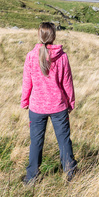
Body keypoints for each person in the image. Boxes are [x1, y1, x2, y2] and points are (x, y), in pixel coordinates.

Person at [21, 22, 78, 184]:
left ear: (39, 36)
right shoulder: (62, 56)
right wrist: (71, 103)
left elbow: (27, 82)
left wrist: (24, 101)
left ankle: (32, 176)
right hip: (58, 106)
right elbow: (67, 83)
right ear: (53, 36)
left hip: (37, 107)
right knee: (64, 140)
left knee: (36, 142)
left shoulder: (31, 56)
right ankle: (71, 173)